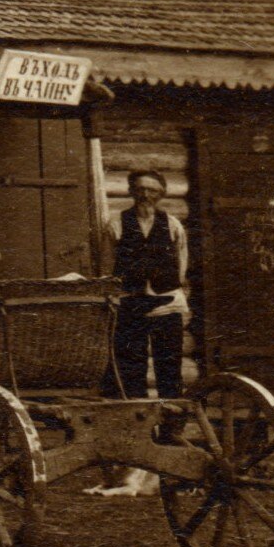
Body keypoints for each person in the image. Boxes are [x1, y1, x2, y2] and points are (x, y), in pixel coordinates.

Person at [88, 175, 191, 497]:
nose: (146, 195)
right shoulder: (116, 224)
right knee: (130, 372)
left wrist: (166, 285)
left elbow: (181, 265)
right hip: (130, 304)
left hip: (166, 304)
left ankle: (170, 442)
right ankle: (136, 445)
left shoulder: (172, 225)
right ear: (132, 192)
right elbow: (106, 266)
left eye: (153, 190)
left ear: (161, 194)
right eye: (140, 189)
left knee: (169, 373)